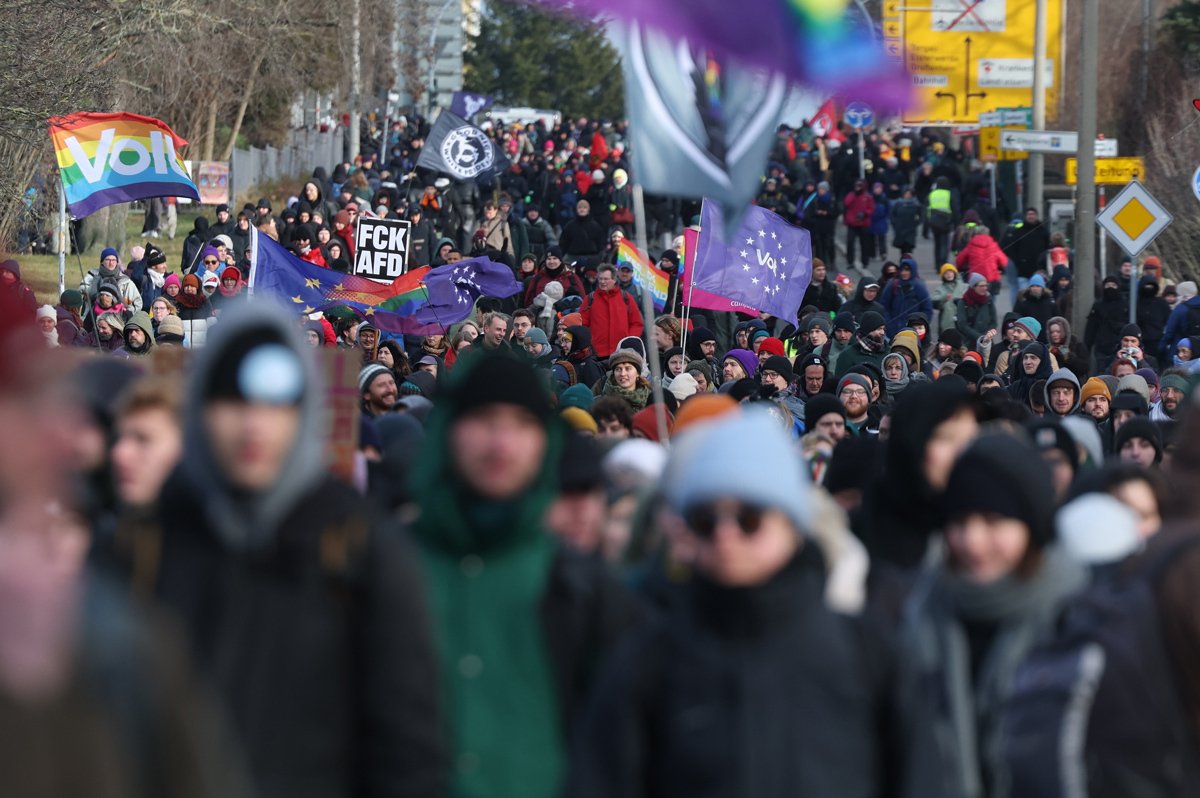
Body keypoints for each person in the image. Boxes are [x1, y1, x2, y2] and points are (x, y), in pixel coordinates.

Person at [135, 303, 445, 797]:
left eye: (276, 403)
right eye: (232, 401)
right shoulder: (146, 544)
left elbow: (406, 749)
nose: (253, 425)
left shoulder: (360, 548)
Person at [568, 409, 939, 798]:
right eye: (705, 521)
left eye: (749, 519)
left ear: (790, 525)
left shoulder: (867, 653)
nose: (726, 535)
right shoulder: (648, 661)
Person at [408, 353, 639, 798]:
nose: (501, 444)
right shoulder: (387, 566)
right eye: (484, 420)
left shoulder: (588, 590)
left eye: (520, 424)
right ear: (450, 429)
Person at [899, 433, 1087, 798]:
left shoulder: (1077, 619)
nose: (972, 541)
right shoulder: (920, 611)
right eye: (960, 521)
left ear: (1031, 524)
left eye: (994, 520)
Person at [580, 265, 644, 359]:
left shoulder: (626, 297)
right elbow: (581, 324)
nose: (602, 282)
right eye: (600, 279)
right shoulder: (590, 299)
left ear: (614, 280)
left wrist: (628, 341)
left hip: (621, 352)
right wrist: (589, 343)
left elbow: (636, 323)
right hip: (596, 353)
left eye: (606, 279)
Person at [880, 257, 932, 337]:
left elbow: (927, 310)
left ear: (913, 271)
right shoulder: (893, 285)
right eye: (902, 270)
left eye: (907, 270)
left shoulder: (919, 287)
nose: (904, 273)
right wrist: (889, 324)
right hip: (893, 332)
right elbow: (884, 306)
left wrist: (919, 327)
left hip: (913, 333)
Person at [843, 179, 875, 268]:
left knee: (864, 243)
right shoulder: (851, 195)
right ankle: (850, 261)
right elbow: (846, 203)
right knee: (850, 242)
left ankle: (865, 262)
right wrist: (854, 194)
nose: (858, 188)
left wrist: (865, 213)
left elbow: (871, 209)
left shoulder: (867, 197)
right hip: (852, 223)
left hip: (863, 223)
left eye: (860, 186)